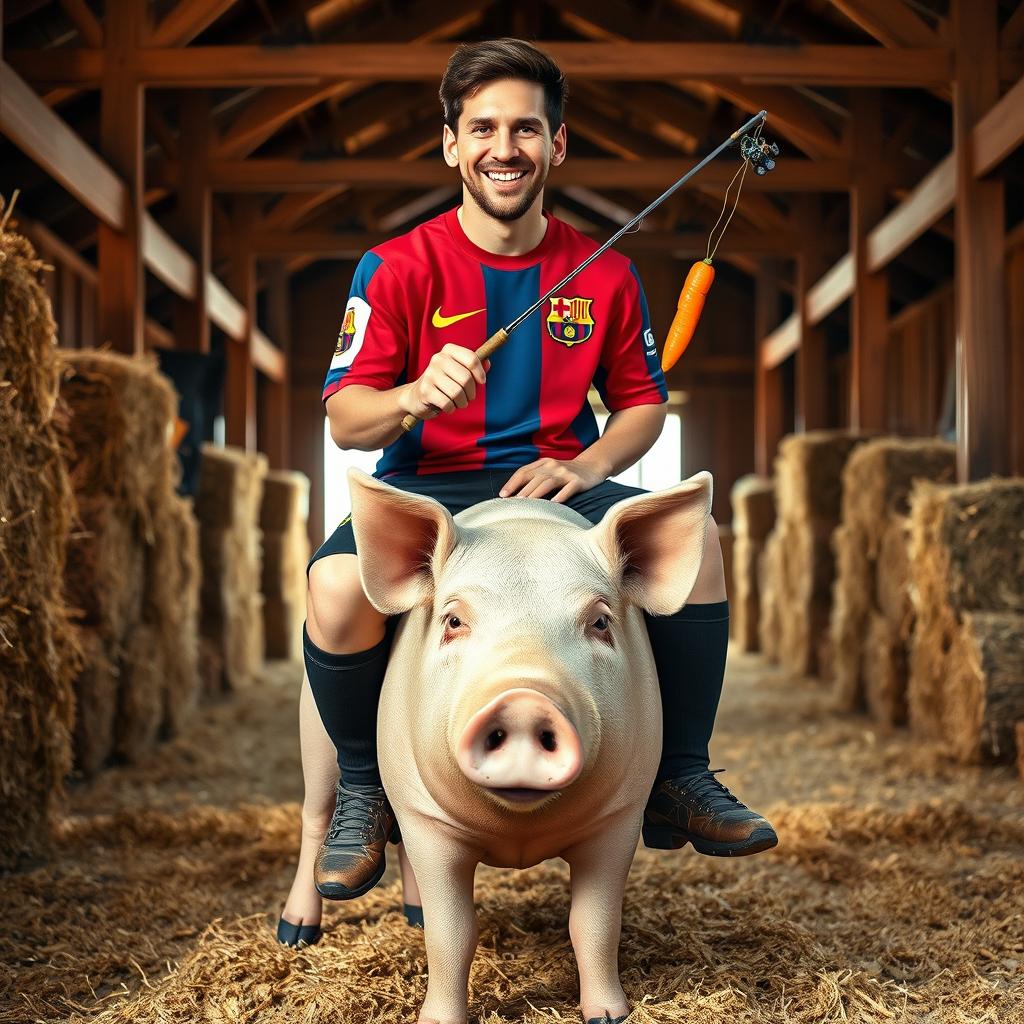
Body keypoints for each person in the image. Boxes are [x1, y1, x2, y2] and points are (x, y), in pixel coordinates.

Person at [276, 37, 777, 949]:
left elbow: (642, 408)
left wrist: (586, 469)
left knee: (702, 543)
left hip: (556, 488)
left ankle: (682, 774)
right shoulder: (392, 268)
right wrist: (410, 395)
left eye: (524, 129)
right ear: (451, 145)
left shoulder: (606, 271)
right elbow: (348, 421)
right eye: (483, 129)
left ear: (556, 146)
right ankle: (363, 787)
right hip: (429, 489)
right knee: (337, 587)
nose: (503, 147)